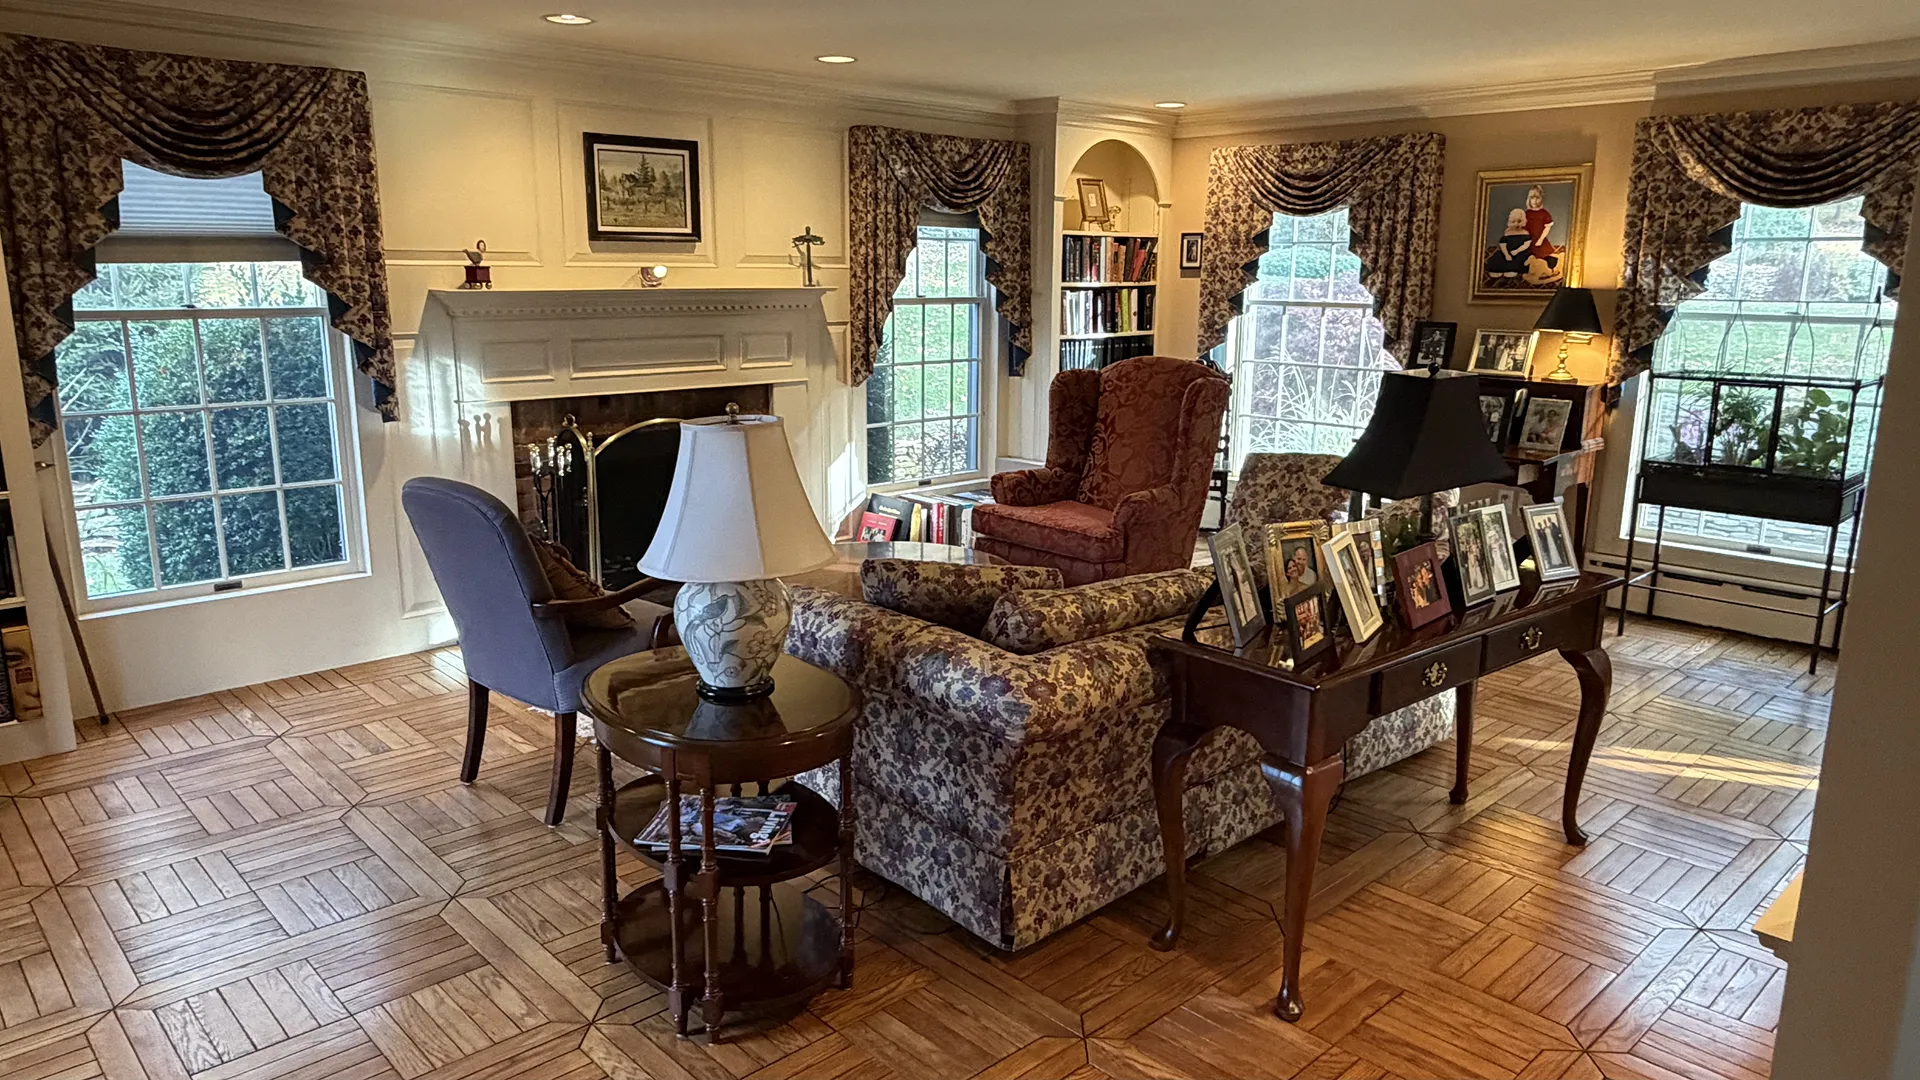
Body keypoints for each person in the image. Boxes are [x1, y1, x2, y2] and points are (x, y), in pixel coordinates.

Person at [1523, 185, 1561, 279]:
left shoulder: (1544, 213)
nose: (1535, 201)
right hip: (1529, 240)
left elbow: (1547, 228)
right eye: (1532, 198)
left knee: (1544, 256)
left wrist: (1540, 239)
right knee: (1528, 257)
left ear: (1541, 199)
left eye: (1537, 198)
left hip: (1540, 240)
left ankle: (1547, 270)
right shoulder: (1526, 213)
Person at [1484, 208, 1532, 278]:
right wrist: (1506, 254)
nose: (1516, 224)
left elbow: (1526, 245)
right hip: (1507, 252)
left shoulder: (1525, 232)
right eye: (1514, 221)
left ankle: (1513, 270)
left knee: (1520, 260)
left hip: (1520, 253)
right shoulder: (1507, 232)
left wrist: (1517, 251)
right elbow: (1503, 244)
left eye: (1519, 221)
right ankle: (1497, 271)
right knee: (1498, 258)